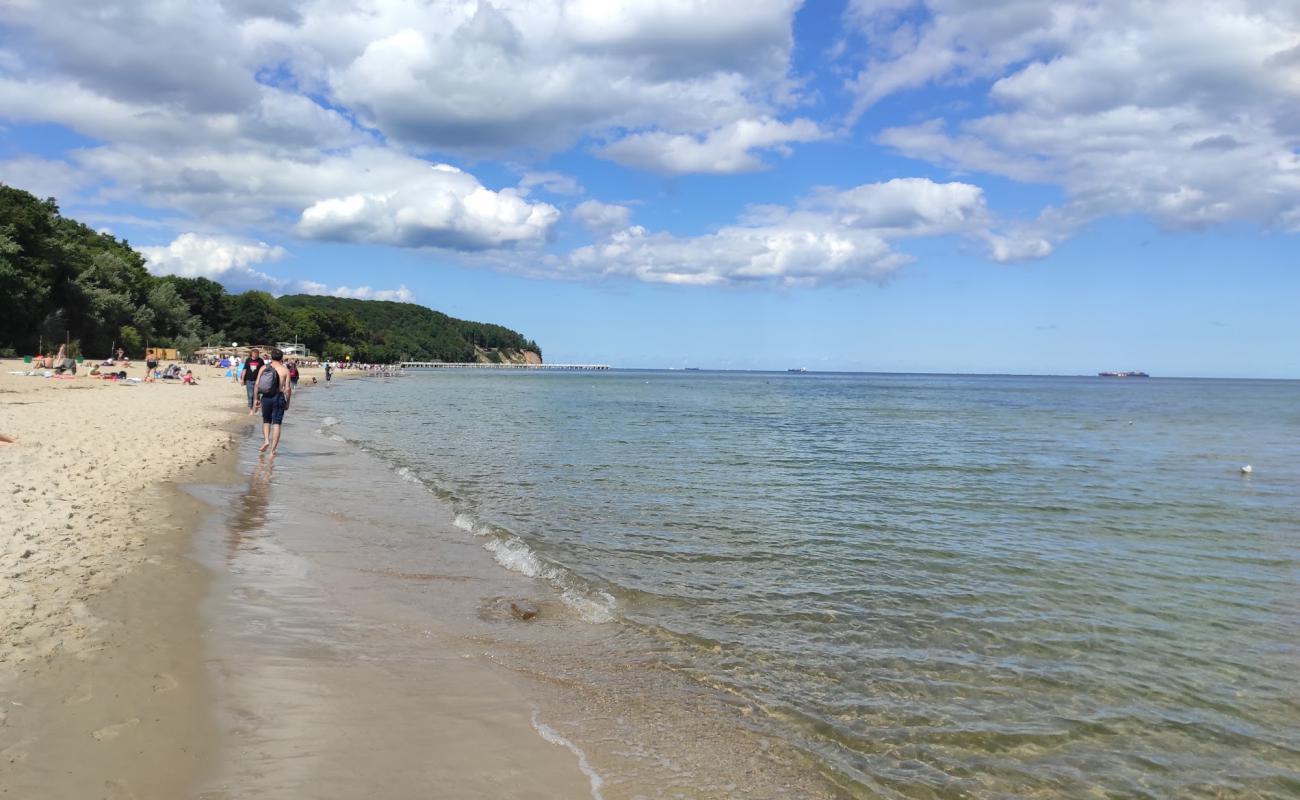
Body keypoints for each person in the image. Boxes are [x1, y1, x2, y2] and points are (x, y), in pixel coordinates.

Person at [252, 348, 292, 454]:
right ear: (281, 358)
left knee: (266, 421)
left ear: (271, 357)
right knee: (277, 424)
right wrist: (288, 402)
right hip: (278, 397)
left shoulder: (263, 368)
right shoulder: (285, 370)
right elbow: (287, 389)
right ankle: (272, 451)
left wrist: (256, 399)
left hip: (266, 397)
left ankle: (266, 440)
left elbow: (256, 385)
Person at [240, 348, 265, 414]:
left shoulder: (260, 360)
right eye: (254, 353)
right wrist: (242, 379)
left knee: (257, 395)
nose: (255, 355)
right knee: (250, 395)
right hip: (249, 380)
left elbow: (263, 370)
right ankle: (251, 409)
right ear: (251, 354)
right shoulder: (248, 360)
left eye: (257, 353)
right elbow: (244, 370)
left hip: (258, 380)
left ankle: (256, 408)